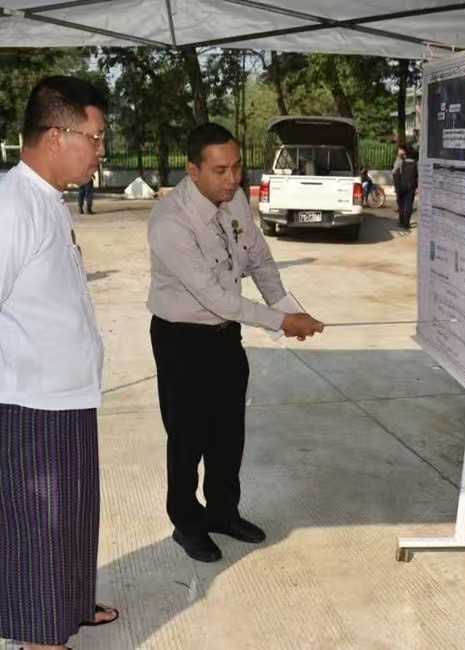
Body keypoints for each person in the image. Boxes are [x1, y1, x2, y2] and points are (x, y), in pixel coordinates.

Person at [0, 76, 118, 650]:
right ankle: (42, 638)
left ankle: (71, 605)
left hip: (64, 395)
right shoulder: (8, 210)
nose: (100, 150)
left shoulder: (47, 201)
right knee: (34, 534)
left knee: (72, 521)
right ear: (56, 135)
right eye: (94, 137)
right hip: (28, 406)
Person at [147, 123, 325, 563]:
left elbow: (259, 258)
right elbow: (216, 298)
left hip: (226, 337)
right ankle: (187, 523)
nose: (233, 178)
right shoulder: (171, 222)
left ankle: (223, 513)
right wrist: (283, 321)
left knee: (228, 433)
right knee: (187, 438)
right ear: (193, 171)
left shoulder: (235, 199)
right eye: (221, 170)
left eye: (238, 167)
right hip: (182, 341)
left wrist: (286, 308)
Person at [392, 145, 419, 229]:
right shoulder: (416, 163)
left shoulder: (401, 161)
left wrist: (399, 157)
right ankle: (406, 224)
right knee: (409, 205)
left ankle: (401, 221)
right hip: (412, 186)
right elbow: (418, 176)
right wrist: (418, 187)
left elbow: (394, 171)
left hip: (402, 185)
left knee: (401, 204)